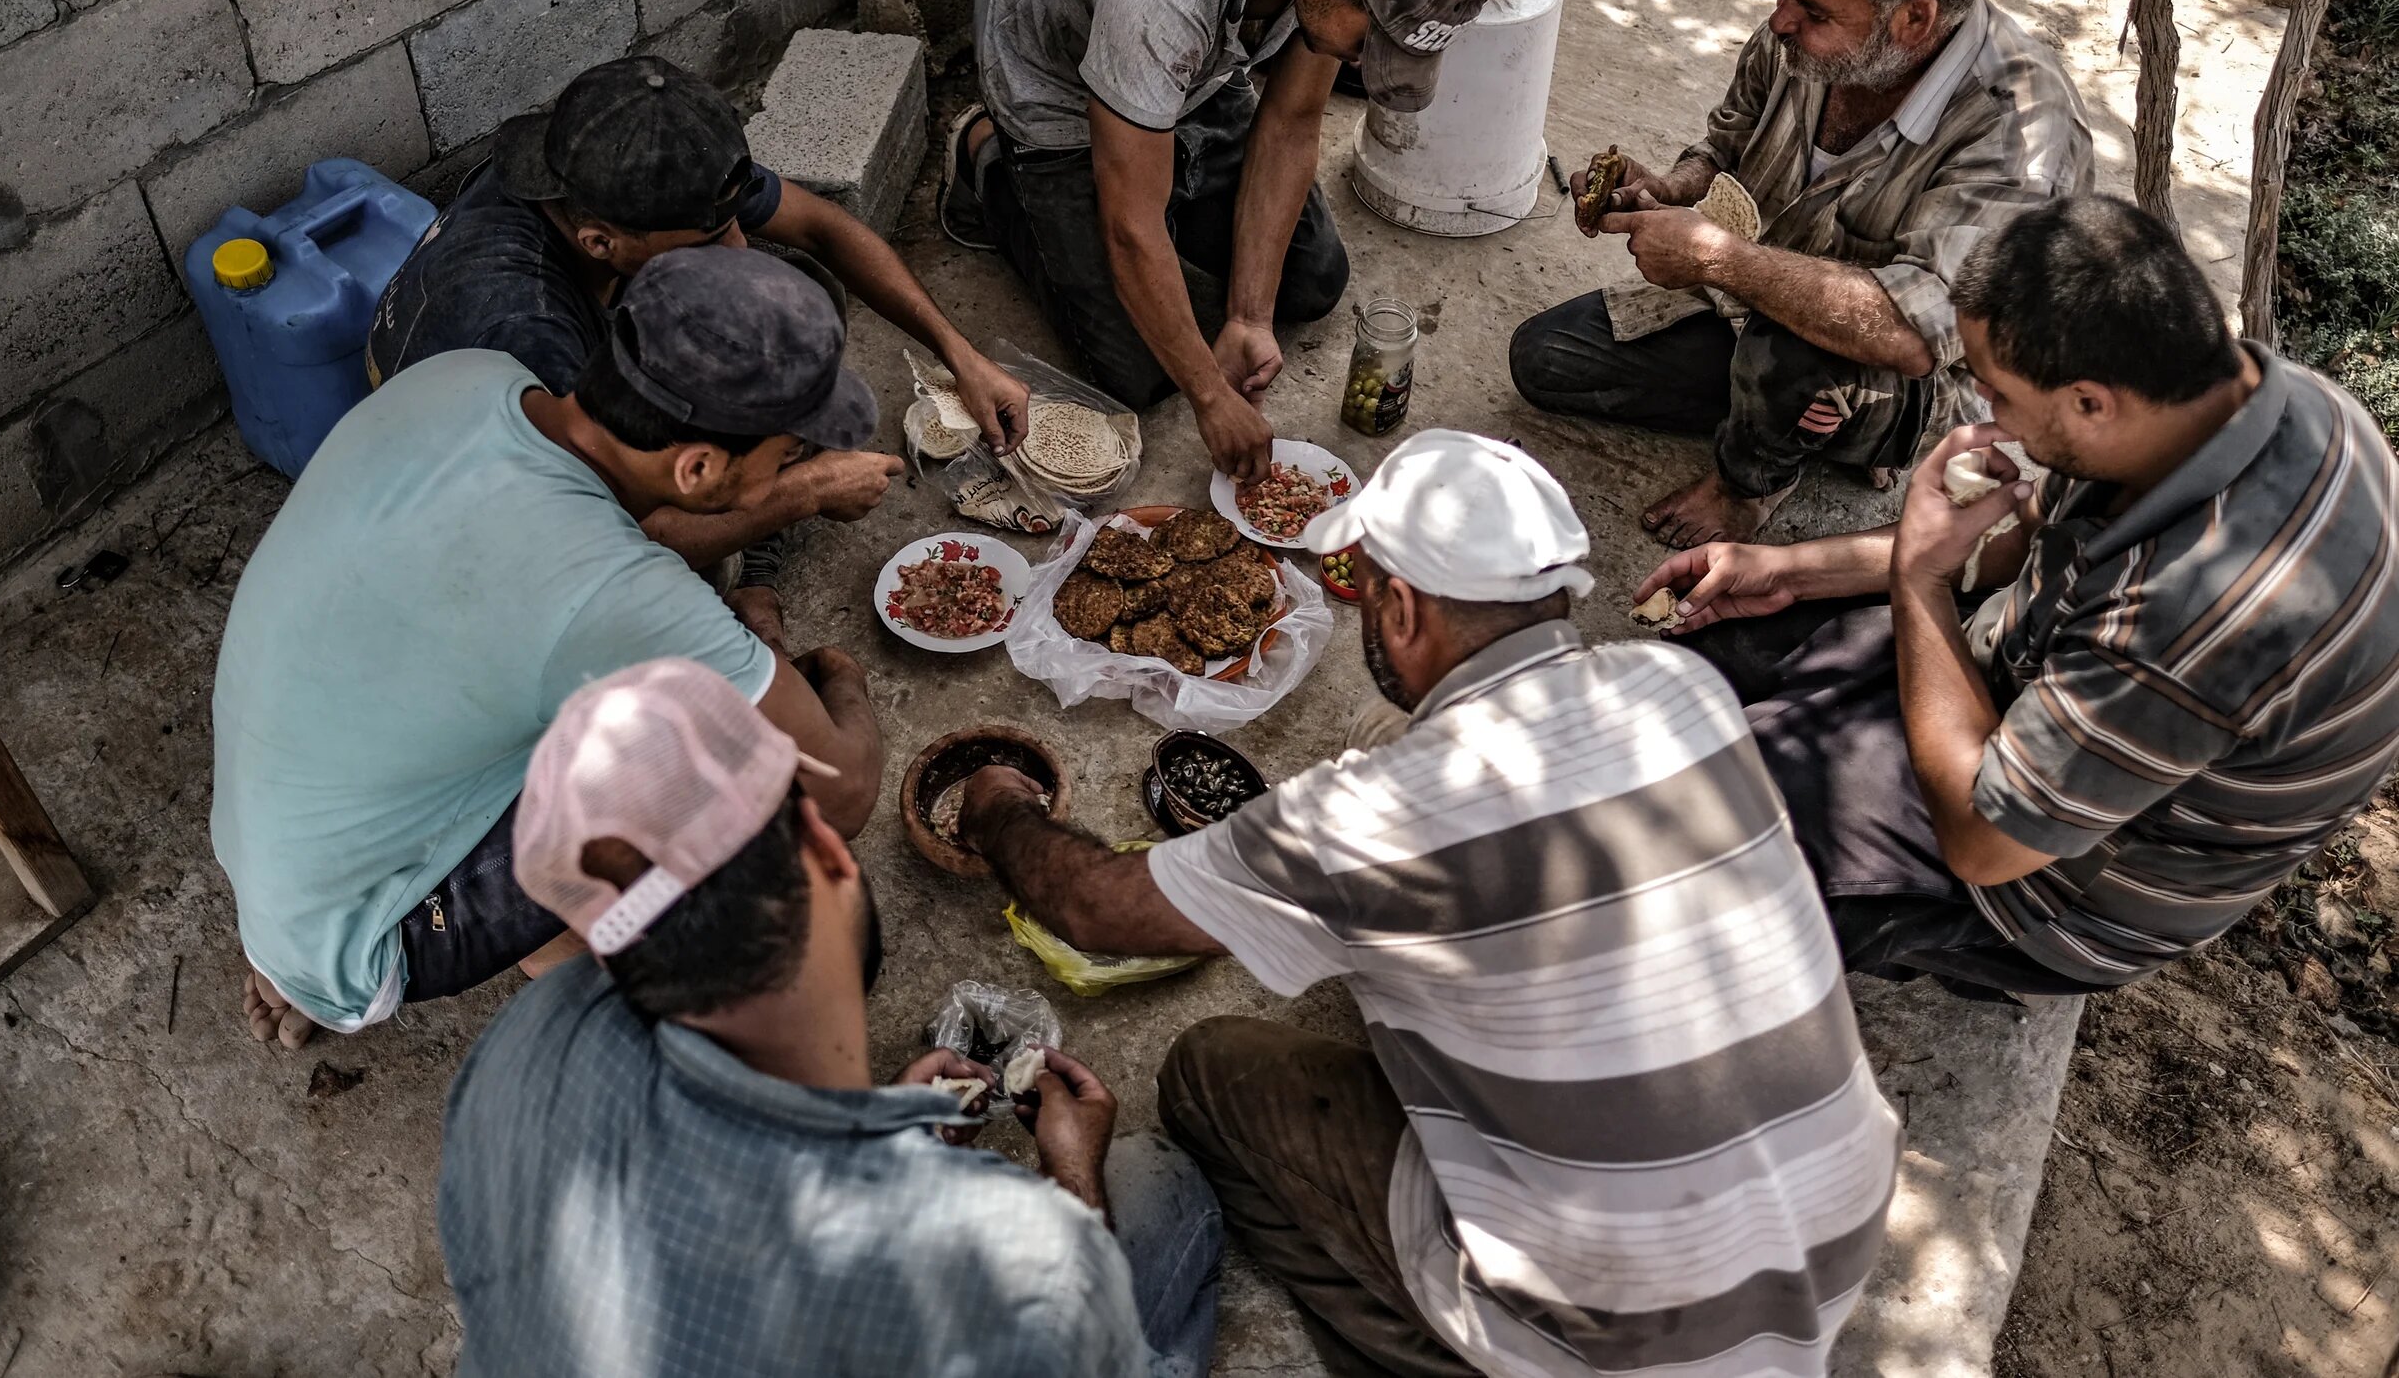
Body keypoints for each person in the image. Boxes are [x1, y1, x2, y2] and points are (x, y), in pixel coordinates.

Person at [957, 430, 1899, 1378]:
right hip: (1831, 1239)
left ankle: (1432, 1353)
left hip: (1622, 1338)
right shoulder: (1683, 685)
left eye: (1366, 584)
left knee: (1210, 1072)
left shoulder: (1372, 821)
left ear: (1399, 606)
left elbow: (1093, 908)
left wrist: (999, 808)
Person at [1636, 196, 2399, 996]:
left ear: (2091, 402)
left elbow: (1983, 840)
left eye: (1997, 393)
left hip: (2052, 885)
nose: (1985, 414)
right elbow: (2027, 540)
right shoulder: (2234, 397)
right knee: (1697, 669)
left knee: (1703, 847)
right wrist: (1790, 570)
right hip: (2042, 680)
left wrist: (1919, 583)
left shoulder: (2202, 615)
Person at [438, 659, 1224, 1377]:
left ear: (603, 941)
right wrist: (1071, 1179)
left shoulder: (524, 1045)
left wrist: (885, 1127)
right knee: (1159, 1182)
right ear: (826, 845)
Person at [212, 250, 886, 1050]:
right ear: (698, 466)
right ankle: (439, 972)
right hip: (369, 927)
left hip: (276, 836)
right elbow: (841, 789)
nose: (796, 469)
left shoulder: (472, 376)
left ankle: (321, 952)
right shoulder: (613, 594)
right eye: (789, 455)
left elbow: (566, 571)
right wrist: (837, 673)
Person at [1510, 0, 2094, 550]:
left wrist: (1714, 260)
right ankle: (1784, 412)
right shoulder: (1807, 33)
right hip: (1758, 301)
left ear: (1914, 19)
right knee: (1547, 359)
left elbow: (1913, 334)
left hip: (1905, 373)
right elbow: (1729, 138)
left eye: (1814, 10)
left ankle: (1750, 485)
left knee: (1797, 354)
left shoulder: (2017, 130)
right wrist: (1670, 187)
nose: (1782, 17)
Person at [947, 0, 1501, 480]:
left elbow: (1292, 120)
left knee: (1313, 281)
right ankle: (984, 159)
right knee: (1138, 372)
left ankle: (1163, 171)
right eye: (1368, 45)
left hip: (1191, 77)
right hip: (1060, 93)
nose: (1361, 61)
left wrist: (1247, 315)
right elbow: (1131, 227)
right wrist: (1209, 396)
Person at [367, 55, 1027, 569]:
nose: (740, 248)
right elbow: (626, 530)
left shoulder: (637, 162)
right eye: (711, 243)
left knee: (791, 301)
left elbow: (823, 229)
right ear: (601, 240)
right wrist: (803, 493)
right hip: (464, 486)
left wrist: (960, 356)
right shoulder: (527, 330)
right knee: (695, 546)